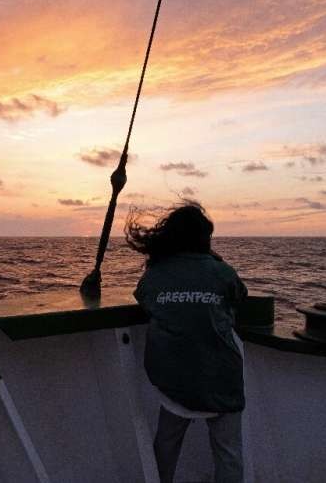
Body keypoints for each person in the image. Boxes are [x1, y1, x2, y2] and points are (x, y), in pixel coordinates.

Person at [126, 202, 247, 483]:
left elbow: (143, 297)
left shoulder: (155, 274)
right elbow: (239, 295)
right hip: (221, 382)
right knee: (228, 453)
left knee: (166, 444)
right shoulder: (223, 272)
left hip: (175, 383)